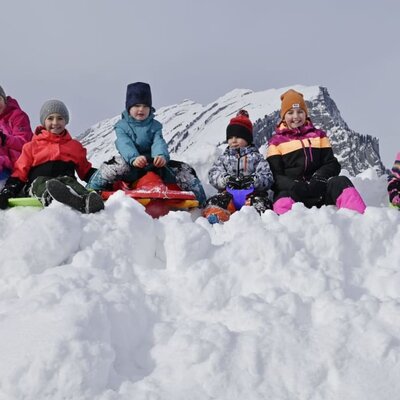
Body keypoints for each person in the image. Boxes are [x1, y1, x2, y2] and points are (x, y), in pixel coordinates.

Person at [87, 82, 206, 205]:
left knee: (183, 169)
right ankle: (91, 191)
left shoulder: (155, 126)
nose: (141, 109)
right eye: (137, 105)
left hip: (153, 164)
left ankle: (201, 201)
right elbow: (124, 143)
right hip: (131, 165)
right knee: (113, 166)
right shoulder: (122, 126)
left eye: (145, 106)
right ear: (129, 108)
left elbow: (158, 142)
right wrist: (134, 158)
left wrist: (160, 156)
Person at [266, 89, 366, 215]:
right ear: (283, 117)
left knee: (341, 182)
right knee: (282, 200)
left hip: (319, 188)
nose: (296, 116)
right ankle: (287, 229)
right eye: (290, 113)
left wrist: (319, 177)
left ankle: (359, 220)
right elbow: (275, 175)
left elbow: (332, 164)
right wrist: (293, 185)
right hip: (295, 192)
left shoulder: (319, 136)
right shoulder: (276, 142)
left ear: (306, 114)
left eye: (300, 112)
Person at [0, 100, 104, 213]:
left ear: (66, 121)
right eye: (50, 118)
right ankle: (51, 196)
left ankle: (87, 199)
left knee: (71, 182)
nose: (55, 122)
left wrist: (105, 179)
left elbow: (86, 171)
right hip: (38, 183)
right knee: (42, 183)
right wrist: (8, 191)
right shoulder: (31, 146)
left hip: (65, 181)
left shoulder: (75, 147)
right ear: (43, 121)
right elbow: (20, 173)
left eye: (60, 118)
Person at [202, 110, 274, 223]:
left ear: (247, 138)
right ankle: (218, 217)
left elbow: (267, 177)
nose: (233, 140)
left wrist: (254, 180)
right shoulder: (224, 158)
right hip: (228, 194)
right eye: (230, 137)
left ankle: (255, 220)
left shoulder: (256, 158)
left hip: (252, 194)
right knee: (216, 201)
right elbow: (213, 174)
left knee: (261, 204)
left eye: (238, 137)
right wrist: (225, 179)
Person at [0, 84, 33, 180]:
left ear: (4, 99)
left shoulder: (17, 116)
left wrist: (5, 139)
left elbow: (25, 143)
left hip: (16, 168)